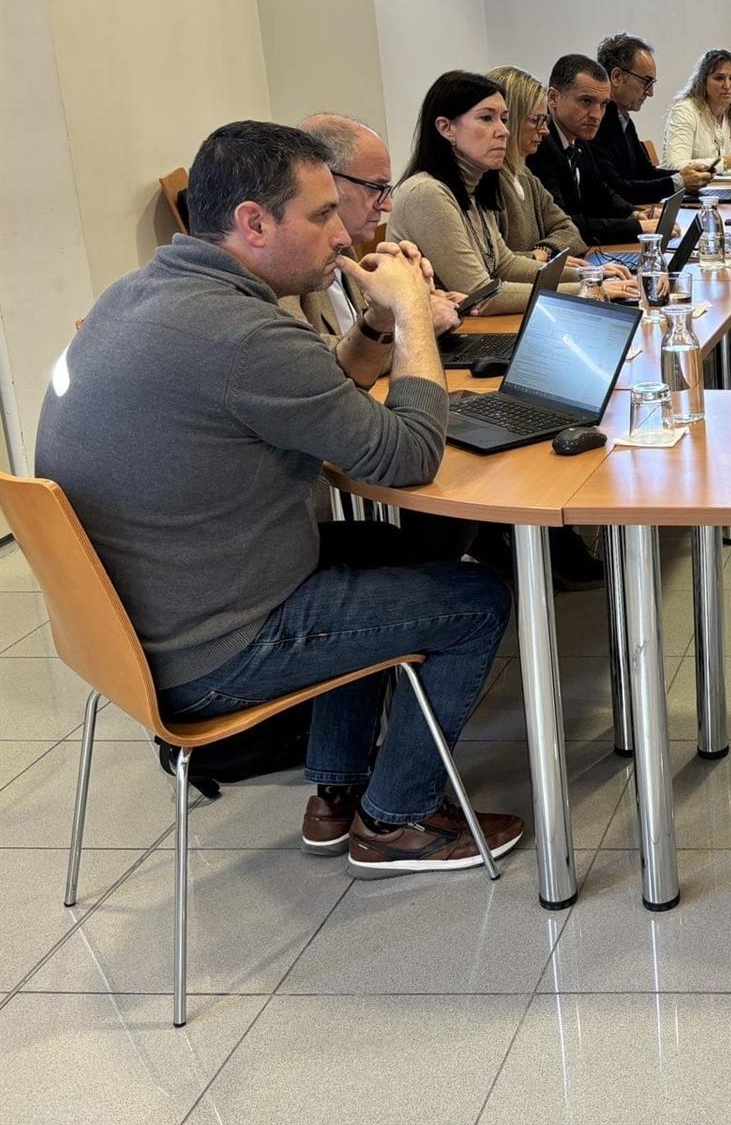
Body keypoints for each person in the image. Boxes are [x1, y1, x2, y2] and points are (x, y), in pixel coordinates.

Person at [37, 121, 524, 875]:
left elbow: (321, 389)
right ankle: (395, 823)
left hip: (126, 632)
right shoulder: (245, 336)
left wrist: (373, 322)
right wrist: (411, 320)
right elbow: (408, 457)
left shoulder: (136, 295)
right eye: (323, 214)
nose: (344, 236)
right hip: (206, 654)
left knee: (376, 550)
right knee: (476, 599)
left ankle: (336, 794)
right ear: (254, 222)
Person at [389, 71, 628, 315]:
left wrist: (588, 276)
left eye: (503, 119)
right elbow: (480, 295)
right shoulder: (426, 193)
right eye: (487, 118)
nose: (504, 130)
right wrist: (587, 290)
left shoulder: (474, 187)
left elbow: (505, 265)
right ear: (445, 127)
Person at [283, 115, 461, 383]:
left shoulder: (345, 246)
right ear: (325, 179)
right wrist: (416, 323)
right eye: (376, 188)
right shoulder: (282, 260)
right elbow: (311, 364)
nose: (387, 205)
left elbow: (355, 333)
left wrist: (412, 299)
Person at [530, 55, 653, 246]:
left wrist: (634, 213)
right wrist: (638, 228)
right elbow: (567, 223)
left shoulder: (579, 136)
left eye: (603, 104)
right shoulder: (538, 145)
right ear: (553, 98)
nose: (597, 115)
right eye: (586, 101)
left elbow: (600, 192)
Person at [591, 34, 711, 203]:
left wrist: (688, 175)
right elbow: (618, 189)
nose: (650, 92)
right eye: (646, 82)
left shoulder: (623, 119)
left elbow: (646, 173)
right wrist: (679, 181)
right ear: (617, 77)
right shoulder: (595, 123)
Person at [485, 66, 587, 262]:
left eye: (545, 120)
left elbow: (570, 230)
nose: (545, 130)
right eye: (536, 120)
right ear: (509, 120)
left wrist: (545, 251)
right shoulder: (485, 182)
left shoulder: (526, 177)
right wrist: (541, 259)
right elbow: (493, 262)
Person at [663, 48, 731, 175]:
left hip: (723, 186)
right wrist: (727, 163)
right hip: (689, 187)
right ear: (703, 82)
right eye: (719, 78)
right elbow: (675, 166)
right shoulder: (684, 111)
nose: (727, 86)